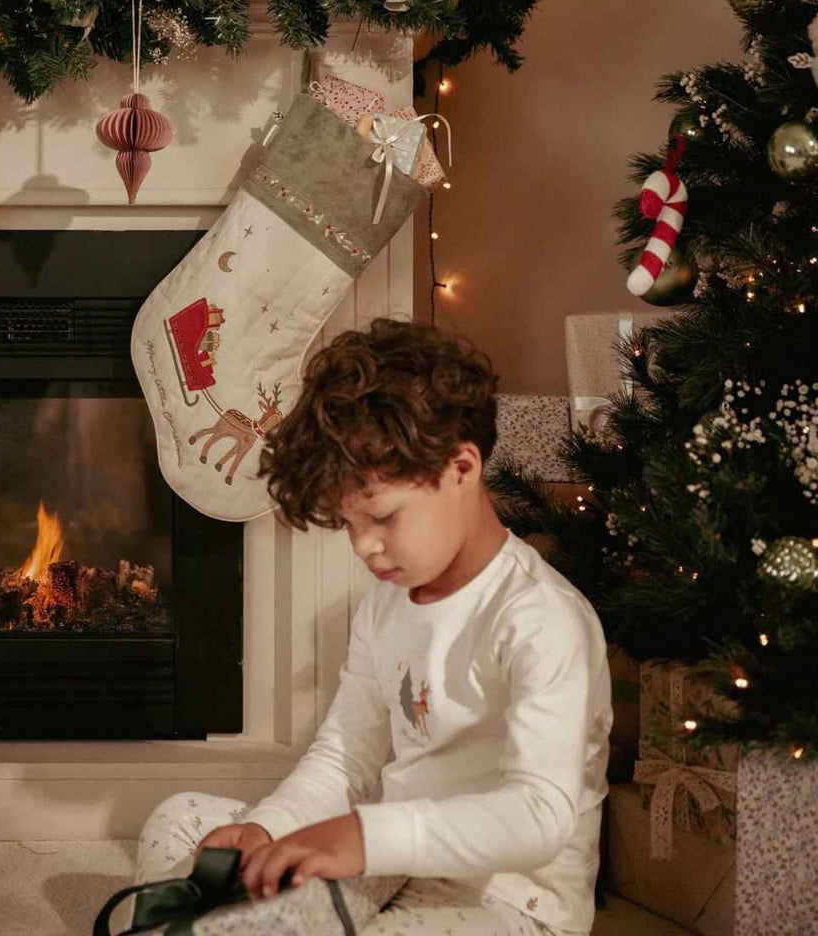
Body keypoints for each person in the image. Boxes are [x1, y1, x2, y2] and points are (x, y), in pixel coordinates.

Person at [133, 319, 612, 935]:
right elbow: (346, 758)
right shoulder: (387, 606)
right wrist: (271, 826)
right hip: (383, 864)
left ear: (461, 468)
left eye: (381, 518)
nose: (364, 547)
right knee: (180, 821)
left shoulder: (543, 620)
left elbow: (539, 817)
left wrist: (365, 835)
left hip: (509, 903)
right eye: (349, 524)